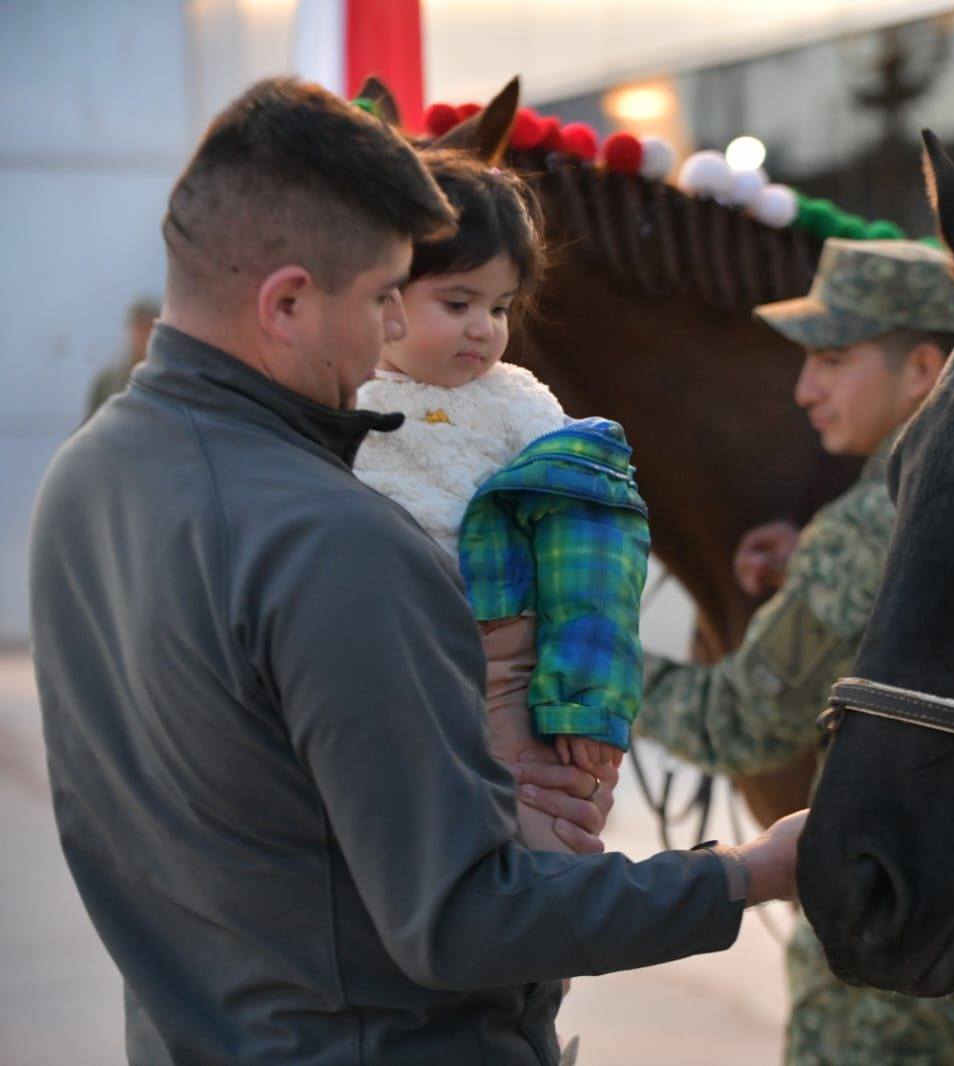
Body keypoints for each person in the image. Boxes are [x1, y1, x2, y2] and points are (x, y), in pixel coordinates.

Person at [28, 77, 802, 1066]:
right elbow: (464, 920)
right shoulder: (336, 538)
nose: (395, 332)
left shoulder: (85, 478)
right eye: (385, 297)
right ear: (289, 303)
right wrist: (746, 872)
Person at [640, 237, 954, 1063]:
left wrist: (593, 656)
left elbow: (736, 725)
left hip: (890, 994)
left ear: (922, 369)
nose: (806, 388)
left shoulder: (868, 529)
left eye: (833, 358)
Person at [353, 150, 639, 854]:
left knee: (536, 842)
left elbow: (593, 564)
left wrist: (585, 705)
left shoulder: (521, 407)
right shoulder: (344, 398)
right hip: (381, 666)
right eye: (457, 303)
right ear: (384, 294)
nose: (484, 327)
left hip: (504, 671)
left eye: (501, 307)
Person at [84, 297, 159, 419]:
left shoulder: (169, 381)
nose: (143, 337)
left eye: (148, 329)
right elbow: (90, 430)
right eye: (138, 329)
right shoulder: (107, 382)